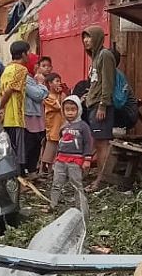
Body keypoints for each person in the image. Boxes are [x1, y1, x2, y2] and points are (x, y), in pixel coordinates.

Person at [81, 25, 116, 190]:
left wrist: (103, 105)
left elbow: (108, 84)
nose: (86, 40)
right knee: (98, 143)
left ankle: (101, 181)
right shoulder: (95, 59)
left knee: (102, 144)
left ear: (98, 38)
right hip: (92, 104)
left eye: (89, 37)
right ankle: (101, 179)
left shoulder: (105, 55)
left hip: (102, 107)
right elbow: (97, 83)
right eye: (84, 37)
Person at [49, 95, 93, 216]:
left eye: (73, 109)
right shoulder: (63, 126)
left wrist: (87, 159)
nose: (70, 113)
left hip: (75, 160)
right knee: (56, 183)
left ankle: (82, 208)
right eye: (67, 110)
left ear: (78, 109)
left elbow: (88, 143)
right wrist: (55, 159)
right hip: (61, 159)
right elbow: (60, 142)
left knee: (76, 184)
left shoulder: (83, 126)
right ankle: (53, 205)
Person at [0, 41, 31, 174]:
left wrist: (1, 108)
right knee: (17, 153)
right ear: (23, 54)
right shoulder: (21, 69)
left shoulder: (7, 69)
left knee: (9, 150)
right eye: (28, 52)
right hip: (15, 117)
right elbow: (10, 90)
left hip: (6, 117)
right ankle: (18, 180)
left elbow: (0, 91)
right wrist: (2, 106)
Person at [23, 56, 48, 176]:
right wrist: (41, 84)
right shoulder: (26, 79)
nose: (37, 68)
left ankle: (32, 171)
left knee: (36, 144)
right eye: (36, 65)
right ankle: (26, 171)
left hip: (37, 116)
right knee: (29, 143)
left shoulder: (34, 79)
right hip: (29, 116)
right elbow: (38, 95)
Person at [41, 72, 65, 174]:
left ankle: (52, 168)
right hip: (52, 125)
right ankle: (45, 168)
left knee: (57, 147)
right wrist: (59, 95)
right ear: (50, 83)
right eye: (57, 81)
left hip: (60, 123)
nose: (59, 83)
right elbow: (58, 106)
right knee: (51, 146)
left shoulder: (60, 95)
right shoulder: (48, 96)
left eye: (60, 81)